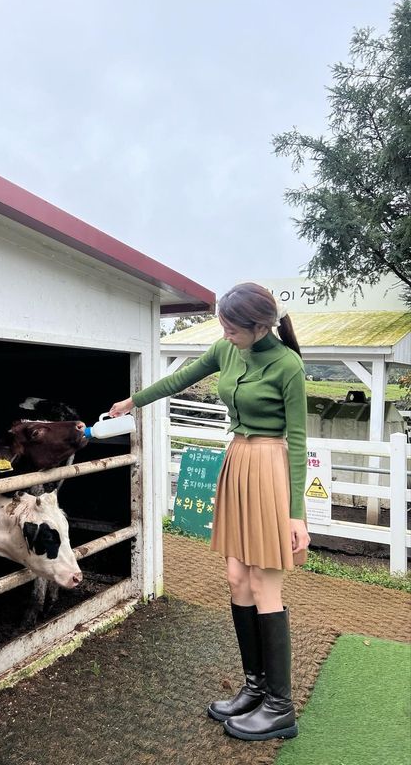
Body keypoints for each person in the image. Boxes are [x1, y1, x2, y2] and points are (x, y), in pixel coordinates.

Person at [109, 282, 310, 741]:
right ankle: (255, 687)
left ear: (261, 326)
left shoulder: (288, 366)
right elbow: (180, 378)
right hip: (237, 462)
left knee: (264, 582)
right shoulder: (227, 348)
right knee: (237, 579)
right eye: (222, 322)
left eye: (232, 326)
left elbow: (297, 442)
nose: (224, 331)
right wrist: (132, 402)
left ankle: (280, 707)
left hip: (271, 467)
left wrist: (296, 513)